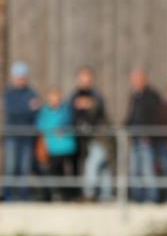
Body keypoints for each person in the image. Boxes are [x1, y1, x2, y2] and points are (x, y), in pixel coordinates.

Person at [70, 66, 112, 202]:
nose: (85, 81)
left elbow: (99, 108)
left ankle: (89, 194)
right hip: (83, 140)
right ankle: (106, 195)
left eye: (87, 78)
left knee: (92, 165)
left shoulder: (96, 96)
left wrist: (89, 104)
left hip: (100, 138)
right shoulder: (74, 96)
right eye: (82, 78)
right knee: (102, 167)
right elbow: (71, 112)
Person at [3, 61, 40, 201]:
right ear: (14, 78)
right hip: (12, 135)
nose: (21, 80)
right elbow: (13, 112)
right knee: (11, 167)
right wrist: (27, 108)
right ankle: (8, 195)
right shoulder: (9, 94)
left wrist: (28, 109)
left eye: (23, 77)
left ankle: (24, 197)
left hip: (28, 136)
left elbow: (35, 112)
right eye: (19, 77)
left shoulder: (31, 93)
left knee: (25, 168)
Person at [124, 68, 161, 203]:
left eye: (139, 78)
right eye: (134, 79)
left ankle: (151, 197)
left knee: (147, 169)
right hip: (134, 138)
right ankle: (137, 197)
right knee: (135, 170)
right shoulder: (134, 96)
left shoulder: (152, 95)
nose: (136, 82)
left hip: (146, 139)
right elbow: (132, 116)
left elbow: (156, 116)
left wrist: (149, 132)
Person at [36, 88, 78, 201]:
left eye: (57, 98)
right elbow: (40, 126)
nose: (55, 101)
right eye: (52, 98)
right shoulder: (44, 112)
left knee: (69, 172)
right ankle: (60, 193)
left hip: (67, 146)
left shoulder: (66, 110)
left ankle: (70, 195)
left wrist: (62, 128)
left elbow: (68, 121)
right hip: (53, 147)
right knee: (55, 171)